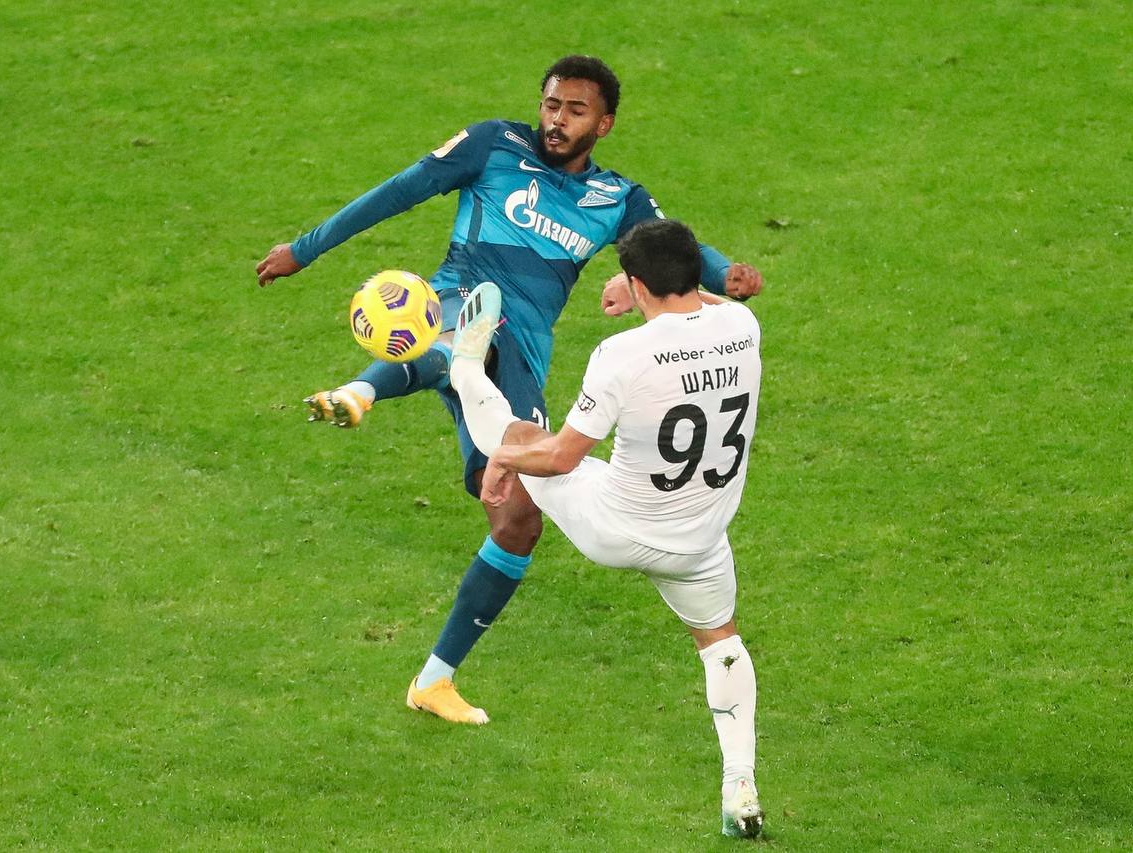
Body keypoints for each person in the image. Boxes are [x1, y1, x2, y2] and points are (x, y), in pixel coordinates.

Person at [255, 56, 763, 726]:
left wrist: (727, 277)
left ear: (604, 124)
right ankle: (360, 392)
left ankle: (434, 682)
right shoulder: (494, 145)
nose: (556, 120)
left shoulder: (616, 198)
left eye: (575, 111)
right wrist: (306, 248)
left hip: (523, 359)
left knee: (518, 518)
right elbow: (398, 191)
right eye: (551, 105)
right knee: (467, 336)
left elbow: (676, 251)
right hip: (460, 296)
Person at [444, 218, 764, 839]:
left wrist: (505, 461)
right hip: (700, 540)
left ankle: (463, 366)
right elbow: (707, 303)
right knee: (721, 643)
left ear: (638, 284)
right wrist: (644, 286)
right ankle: (739, 787)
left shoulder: (621, 354)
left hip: (615, 525)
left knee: (522, 435)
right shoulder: (742, 326)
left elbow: (563, 458)